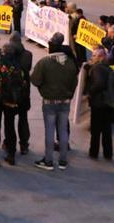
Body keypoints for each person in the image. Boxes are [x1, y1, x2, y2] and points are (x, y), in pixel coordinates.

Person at [30, 35, 78, 171]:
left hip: (49, 101)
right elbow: (74, 82)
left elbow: (35, 80)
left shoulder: (44, 62)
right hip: (65, 101)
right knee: (63, 131)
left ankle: (49, 160)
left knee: (49, 131)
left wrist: (44, 88)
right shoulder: (70, 62)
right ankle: (63, 161)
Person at [0, 44, 27, 168]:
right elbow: (23, 82)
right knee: (10, 127)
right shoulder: (18, 66)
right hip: (11, 101)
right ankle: (11, 155)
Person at [84, 48, 113, 161]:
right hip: (107, 102)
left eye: (94, 55)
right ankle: (108, 152)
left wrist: (90, 92)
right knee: (107, 129)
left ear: (100, 57)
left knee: (96, 129)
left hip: (98, 103)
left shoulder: (97, 68)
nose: (92, 57)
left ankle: (94, 152)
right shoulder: (108, 67)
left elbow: (99, 83)